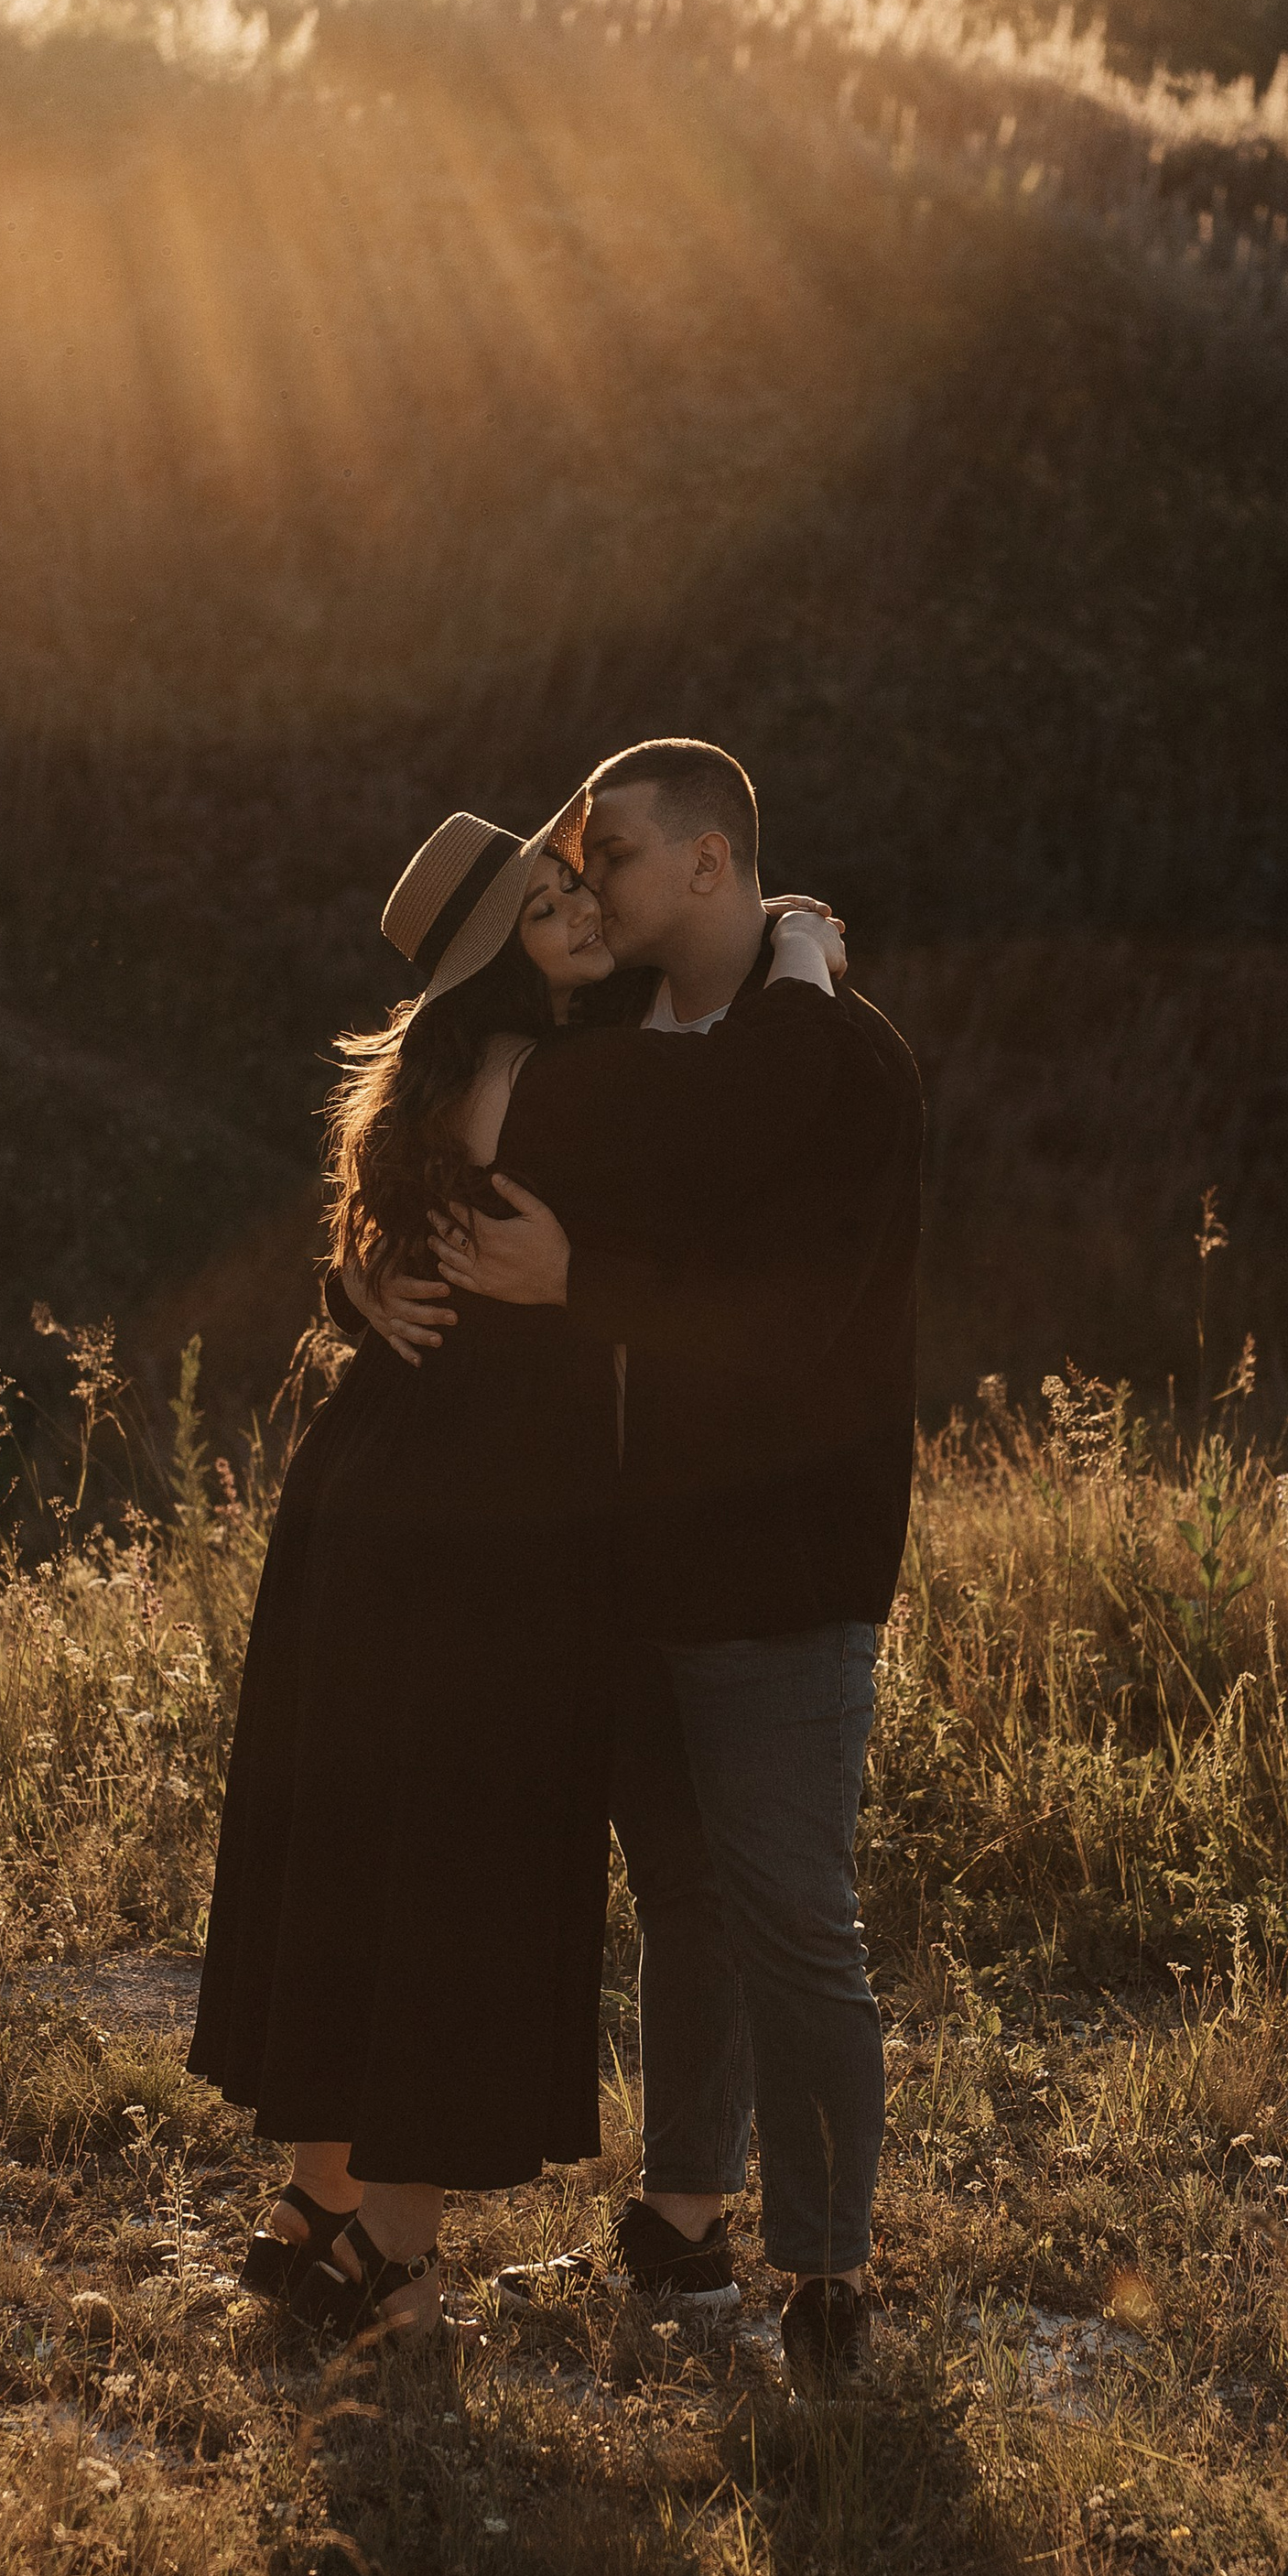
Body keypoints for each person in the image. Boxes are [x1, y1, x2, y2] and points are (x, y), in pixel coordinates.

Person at [186, 802, 845, 2344]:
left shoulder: (429, 1082)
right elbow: (757, 1103)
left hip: (370, 1483)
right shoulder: (563, 1083)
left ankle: (318, 2198)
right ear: (498, 958)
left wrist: (354, 1279)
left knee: (354, 1840)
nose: (585, 909)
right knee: (457, 1863)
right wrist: (802, 955)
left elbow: (378, 1251)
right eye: (550, 906)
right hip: (482, 1518)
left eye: (574, 884)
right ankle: (397, 2257)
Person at [425, 741, 924, 2383]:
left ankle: (830, 2278)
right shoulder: (611, 1048)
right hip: (615, 1557)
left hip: (782, 1562)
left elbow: (798, 1334)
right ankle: (683, 2222)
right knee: (685, 1902)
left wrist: (585, 1288)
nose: (588, 885)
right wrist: (363, 1277)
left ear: (714, 862)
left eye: (616, 854)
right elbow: (437, 1138)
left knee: (794, 1916)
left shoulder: (846, 1066)